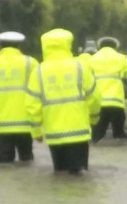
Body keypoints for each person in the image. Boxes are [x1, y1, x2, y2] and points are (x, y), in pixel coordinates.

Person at [25, 29, 101, 175]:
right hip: (80, 132)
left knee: (60, 174)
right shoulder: (81, 67)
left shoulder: (38, 71)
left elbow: (31, 105)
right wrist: (93, 119)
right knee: (78, 176)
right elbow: (95, 98)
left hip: (54, 135)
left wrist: (36, 132)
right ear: (68, 44)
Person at [0, 31, 39, 163]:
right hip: (25, 122)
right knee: (26, 158)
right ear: (19, 46)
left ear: (0, 46)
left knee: (4, 162)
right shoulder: (31, 63)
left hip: (1, 123)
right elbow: (39, 87)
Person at [90, 37, 127, 141]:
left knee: (96, 137)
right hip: (116, 104)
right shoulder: (121, 58)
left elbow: (87, 79)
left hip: (99, 105)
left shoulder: (91, 59)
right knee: (119, 136)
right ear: (115, 47)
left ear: (99, 47)